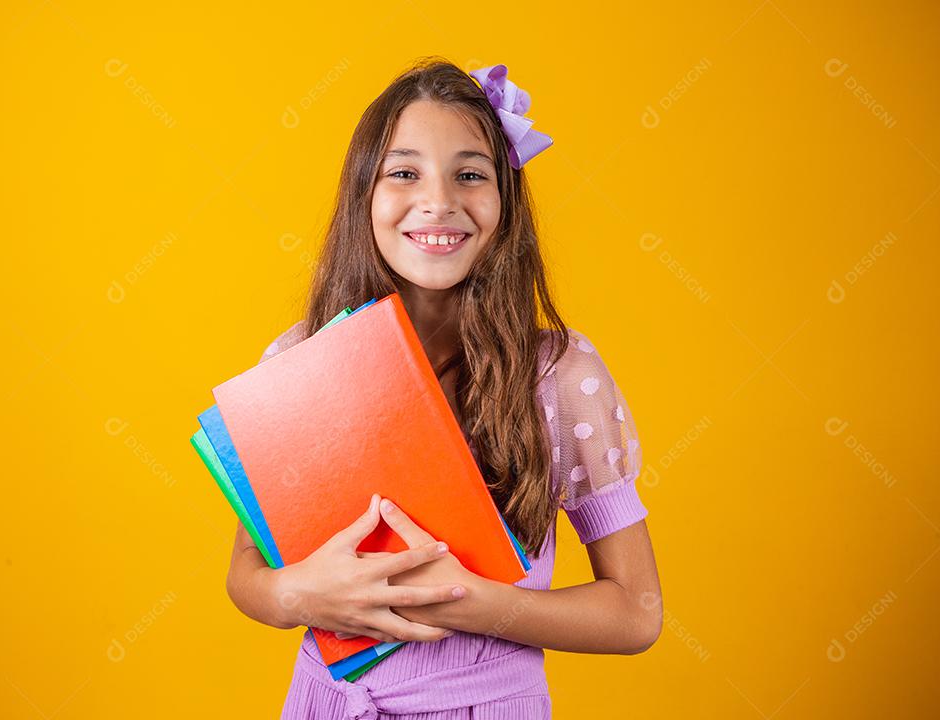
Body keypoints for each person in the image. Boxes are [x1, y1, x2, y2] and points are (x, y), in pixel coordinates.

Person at [226, 57, 663, 719]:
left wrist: (477, 603)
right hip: (328, 702)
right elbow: (247, 576)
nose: (438, 200)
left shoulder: (560, 375)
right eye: (404, 172)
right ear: (362, 196)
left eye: (469, 174)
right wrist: (299, 597)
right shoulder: (302, 357)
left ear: (504, 204)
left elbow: (636, 613)